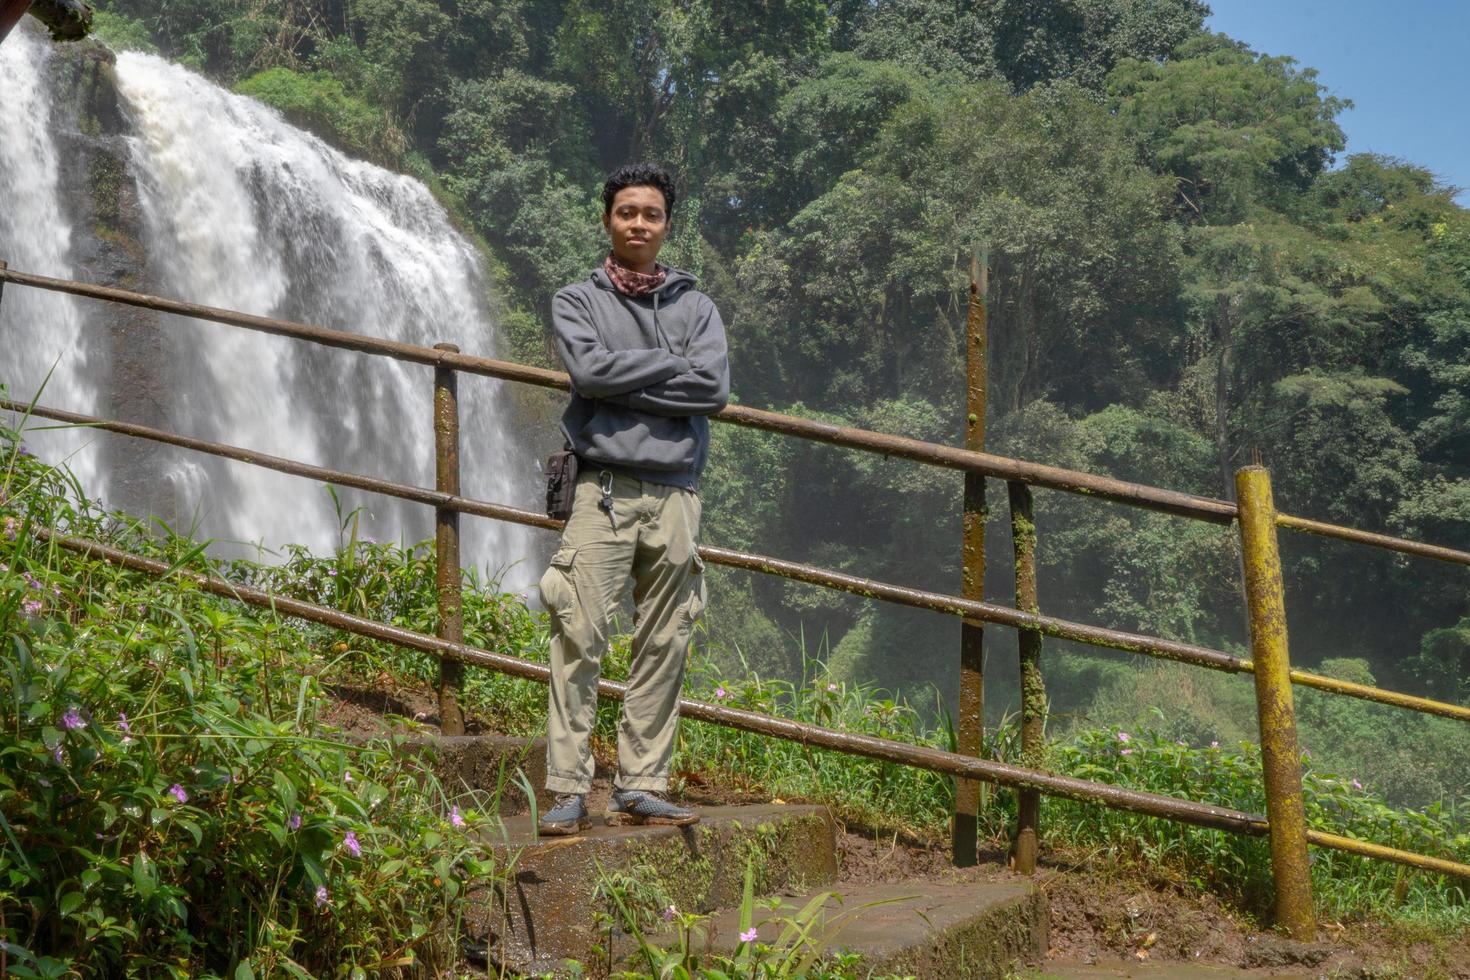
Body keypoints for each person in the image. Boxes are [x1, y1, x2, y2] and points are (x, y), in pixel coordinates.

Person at [537, 162, 730, 836]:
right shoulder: (577, 300)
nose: (638, 223)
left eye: (650, 213)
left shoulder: (696, 307)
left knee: (665, 641)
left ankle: (641, 783)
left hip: (676, 494)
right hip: (603, 492)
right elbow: (587, 372)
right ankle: (567, 788)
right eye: (627, 212)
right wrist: (672, 363)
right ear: (607, 220)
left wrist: (620, 384)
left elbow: (712, 391)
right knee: (577, 633)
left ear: (666, 223)